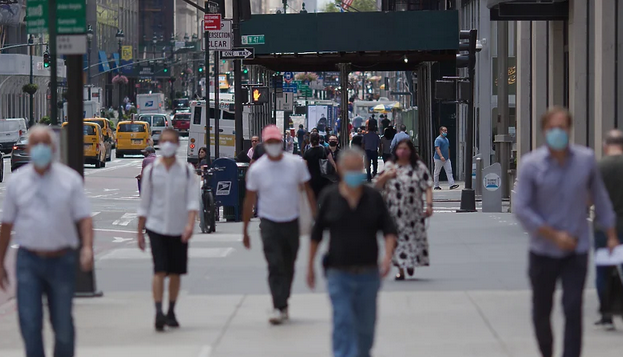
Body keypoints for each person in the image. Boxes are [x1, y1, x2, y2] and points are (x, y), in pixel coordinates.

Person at [513, 106, 618, 357]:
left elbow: (601, 199)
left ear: (569, 129)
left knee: (573, 308)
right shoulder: (531, 165)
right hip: (543, 250)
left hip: (575, 248)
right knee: (542, 310)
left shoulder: (585, 160)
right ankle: (547, 352)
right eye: (552, 128)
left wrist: (612, 234)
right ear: (544, 131)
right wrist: (551, 234)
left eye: (562, 127)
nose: (557, 132)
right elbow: (522, 207)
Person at [0, 125, 94, 357]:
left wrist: (87, 248)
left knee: (62, 325)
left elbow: (84, 219)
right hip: (28, 261)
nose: (41, 148)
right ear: (30, 148)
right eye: (36, 144)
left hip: (62, 259)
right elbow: (7, 225)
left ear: (53, 148)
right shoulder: (17, 182)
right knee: (29, 321)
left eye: (46, 144)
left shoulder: (69, 180)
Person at [307, 147, 397, 357]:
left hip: (368, 273)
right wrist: (310, 266)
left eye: (359, 168)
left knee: (366, 329)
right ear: (341, 170)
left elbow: (389, 230)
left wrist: (387, 257)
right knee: (343, 321)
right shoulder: (330, 197)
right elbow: (317, 233)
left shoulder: (373, 197)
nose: (356, 173)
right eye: (351, 169)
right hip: (338, 273)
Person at [242, 125, 316, 325]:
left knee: (289, 264)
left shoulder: (295, 164)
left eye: (276, 142)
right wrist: (245, 230)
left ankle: (284, 300)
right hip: (269, 224)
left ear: (281, 143)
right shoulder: (257, 169)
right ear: (265, 145)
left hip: (291, 221)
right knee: (275, 264)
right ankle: (278, 305)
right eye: (270, 142)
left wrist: (316, 217)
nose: (273, 145)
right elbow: (249, 199)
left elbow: (308, 190)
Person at [137, 128, 199, 331]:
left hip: (179, 227)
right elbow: (144, 203)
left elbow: (192, 201)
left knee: (175, 272)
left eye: (172, 141)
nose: (168, 144)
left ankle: (171, 310)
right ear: (159, 144)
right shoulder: (151, 171)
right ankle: (158, 312)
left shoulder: (187, 170)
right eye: (164, 141)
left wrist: (190, 225)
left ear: (177, 144)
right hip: (155, 226)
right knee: (159, 269)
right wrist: (139, 232)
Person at [375, 139, 433, 280]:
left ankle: (410, 262)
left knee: (413, 239)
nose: (402, 151)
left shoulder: (417, 166)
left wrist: (429, 205)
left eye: (405, 148)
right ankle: (401, 269)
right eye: (399, 148)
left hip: (413, 211)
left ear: (411, 151)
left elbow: (428, 185)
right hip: (394, 210)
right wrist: (387, 176)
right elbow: (376, 184)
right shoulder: (390, 166)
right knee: (394, 239)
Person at [594, 129, 623, 330]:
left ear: (605, 146)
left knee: (603, 271)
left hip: (602, 227)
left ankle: (606, 315)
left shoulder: (598, 167)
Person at [304, 132, 336, 199]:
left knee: (314, 198)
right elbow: (332, 162)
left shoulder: (307, 152)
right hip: (324, 178)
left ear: (310, 141)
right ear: (319, 140)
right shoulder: (325, 150)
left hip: (312, 179)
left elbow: (304, 167)